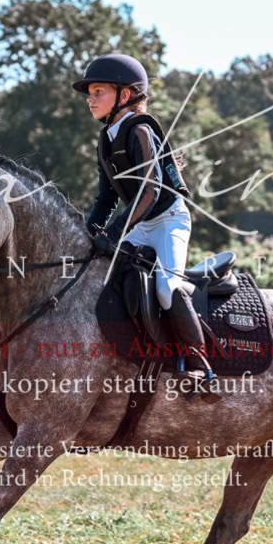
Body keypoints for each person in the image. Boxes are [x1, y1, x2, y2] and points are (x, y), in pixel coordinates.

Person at [72, 54, 215, 397]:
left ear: (125, 95)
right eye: (89, 92)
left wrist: (116, 234)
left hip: (167, 219)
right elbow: (106, 199)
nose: (90, 98)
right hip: (139, 221)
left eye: (98, 91)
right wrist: (90, 235)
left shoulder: (140, 129)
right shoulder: (106, 139)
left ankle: (200, 366)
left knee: (167, 288)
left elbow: (151, 191)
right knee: (99, 277)